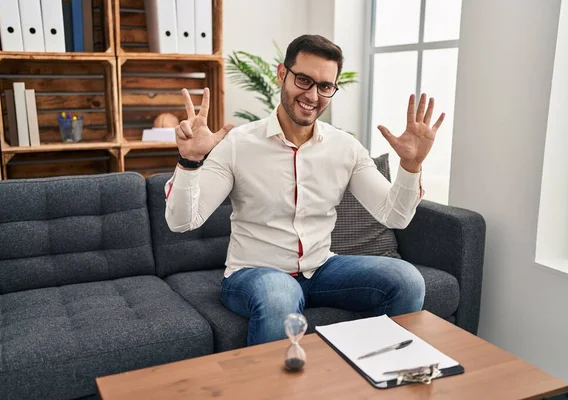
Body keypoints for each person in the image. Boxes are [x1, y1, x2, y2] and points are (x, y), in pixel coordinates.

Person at [164, 34, 445, 346]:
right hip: (254, 274)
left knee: (405, 280)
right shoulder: (238, 144)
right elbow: (182, 222)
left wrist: (411, 166)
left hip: (321, 269)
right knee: (280, 294)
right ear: (282, 74)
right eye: (303, 80)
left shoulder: (345, 147)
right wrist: (190, 161)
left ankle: (377, 375)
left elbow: (395, 216)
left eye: (325, 86)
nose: (313, 95)